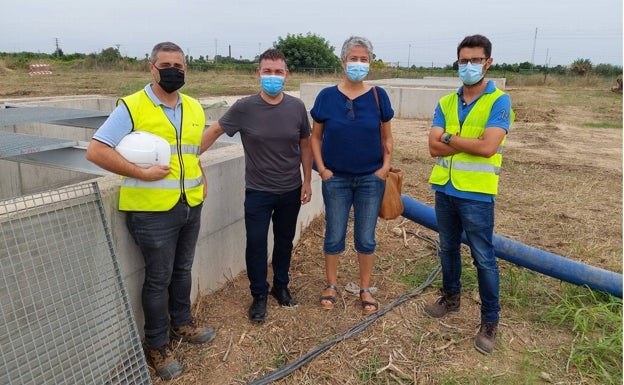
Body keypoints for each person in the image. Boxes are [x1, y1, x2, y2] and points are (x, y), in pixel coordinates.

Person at [85, 41, 215, 380]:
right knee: (158, 278)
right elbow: (96, 151)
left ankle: (182, 323)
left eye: (180, 65)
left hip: (190, 204)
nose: (174, 70)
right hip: (151, 212)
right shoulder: (132, 106)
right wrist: (141, 173)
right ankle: (156, 345)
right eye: (166, 64)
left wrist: (200, 178)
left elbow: (190, 152)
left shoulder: (194, 108)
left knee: (183, 269)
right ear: (151, 67)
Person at [200, 48, 312, 324]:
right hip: (259, 192)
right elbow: (214, 131)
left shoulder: (296, 107)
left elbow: (306, 144)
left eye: (278, 71)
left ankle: (281, 286)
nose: (272, 76)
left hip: (290, 189)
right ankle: (259, 294)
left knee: (285, 240)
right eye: (267, 71)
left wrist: (307, 179)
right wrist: (188, 157)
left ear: (287, 74)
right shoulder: (244, 107)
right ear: (258, 73)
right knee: (257, 243)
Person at [423, 34, 514, 355]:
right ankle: (451, 298)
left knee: (484, 259)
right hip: (444, 189)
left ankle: (489, 321)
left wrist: (449, 136)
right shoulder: (447, 102)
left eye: (476, 60)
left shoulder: (498, 101)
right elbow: (433, 146)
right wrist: (460, 140)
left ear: (488, 63)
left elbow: (488, 148)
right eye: (464, 61)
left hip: (477, 194)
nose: (469, 66)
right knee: (447, 248)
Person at [310, 36, 394, 314]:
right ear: (343, 61)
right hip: (336, 180)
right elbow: (315, 137)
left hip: (371, 179)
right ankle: (331, 285)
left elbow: (387, 137)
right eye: (353, 58)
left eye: (364, 59)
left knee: (366, 237)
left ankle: (365, 288)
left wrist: (384, 168)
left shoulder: (378, 96)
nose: (358, 63)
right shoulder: (326, 97)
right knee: (334, 233)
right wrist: (322, 169)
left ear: (370, 62)